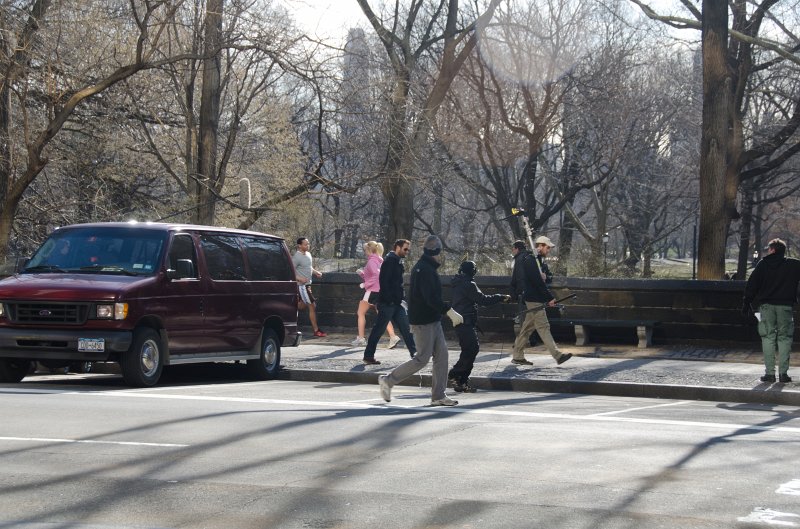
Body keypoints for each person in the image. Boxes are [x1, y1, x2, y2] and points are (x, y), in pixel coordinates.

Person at [378, 235, 463, 406]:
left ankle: (438, 396)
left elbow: (429, 297)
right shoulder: (425, 270)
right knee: (422, 359)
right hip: (424, 321)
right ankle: (388, 380)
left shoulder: (424, 268)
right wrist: (449, 311)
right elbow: (431, 298)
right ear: (437, 252)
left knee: (442, 356)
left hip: (430, 319)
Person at [743, 238, 800, 383]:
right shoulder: (794, 264)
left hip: (766, 307)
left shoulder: (763, 264)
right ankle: (783, 374)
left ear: (773, 250)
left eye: (769, 249)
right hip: (786, 307)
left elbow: (752, 284)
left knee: (767, 338)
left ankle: (769, 374)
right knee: (785, 338)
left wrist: (746, 302)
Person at [448, 261, 510, 393]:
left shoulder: (457, 282)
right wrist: (500, 297)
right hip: (466, 321)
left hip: (460, 321)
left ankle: (461, 380)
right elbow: (483, 300)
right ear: (473, 271)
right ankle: (456, 375)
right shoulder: (469, 284)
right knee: (472, 348)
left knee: (468, 349)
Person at [510, 235, 572, 366]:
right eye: (547, 247)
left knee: (527, 328)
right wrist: (550, 298)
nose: (549, 250)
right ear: (540, 246)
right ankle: (558, 355)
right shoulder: (531, 260)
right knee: (544, 327)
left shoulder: (537, 260)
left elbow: (544, 279)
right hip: (533, 298)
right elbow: (537, 282)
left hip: (533, 297)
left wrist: (544, 277)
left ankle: (517, 355)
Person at [362, 239, 416, 364]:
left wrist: (400, 299)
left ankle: (415, 353)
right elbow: (384, 282)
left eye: (408, 249)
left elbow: (397, 284)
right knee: (379, 330)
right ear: (397, 247)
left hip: (396, 303)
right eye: (405, 249)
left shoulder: (396, 262)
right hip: (388, 303)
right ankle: (368, 356)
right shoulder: (390, 262)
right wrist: (391, 299)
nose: (407, 252)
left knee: (406, 329)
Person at [352, 241, 400, 348]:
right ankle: (393, 336)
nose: (364, 253)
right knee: (382, 315)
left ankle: (361, 338)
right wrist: (362, 274)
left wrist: (365, 284)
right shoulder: (379, 261)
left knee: (360, 312)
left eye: (365, 250)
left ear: (369, 250)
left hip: (372, 291)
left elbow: (376, 275)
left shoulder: (371, 262)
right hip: (380, 290)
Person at [293, 237, 326, 337]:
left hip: (308, 285)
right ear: (299, 245)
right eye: (305, 244)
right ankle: (316, 330)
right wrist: (299, 278)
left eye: (308, 244)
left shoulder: (308, 254)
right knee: (312, 305)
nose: (308, 246)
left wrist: (316, 272)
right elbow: (290, 270)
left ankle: (287, 309)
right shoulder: (296, 257)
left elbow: (309, 267)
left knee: (301, 306)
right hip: (302, 286)